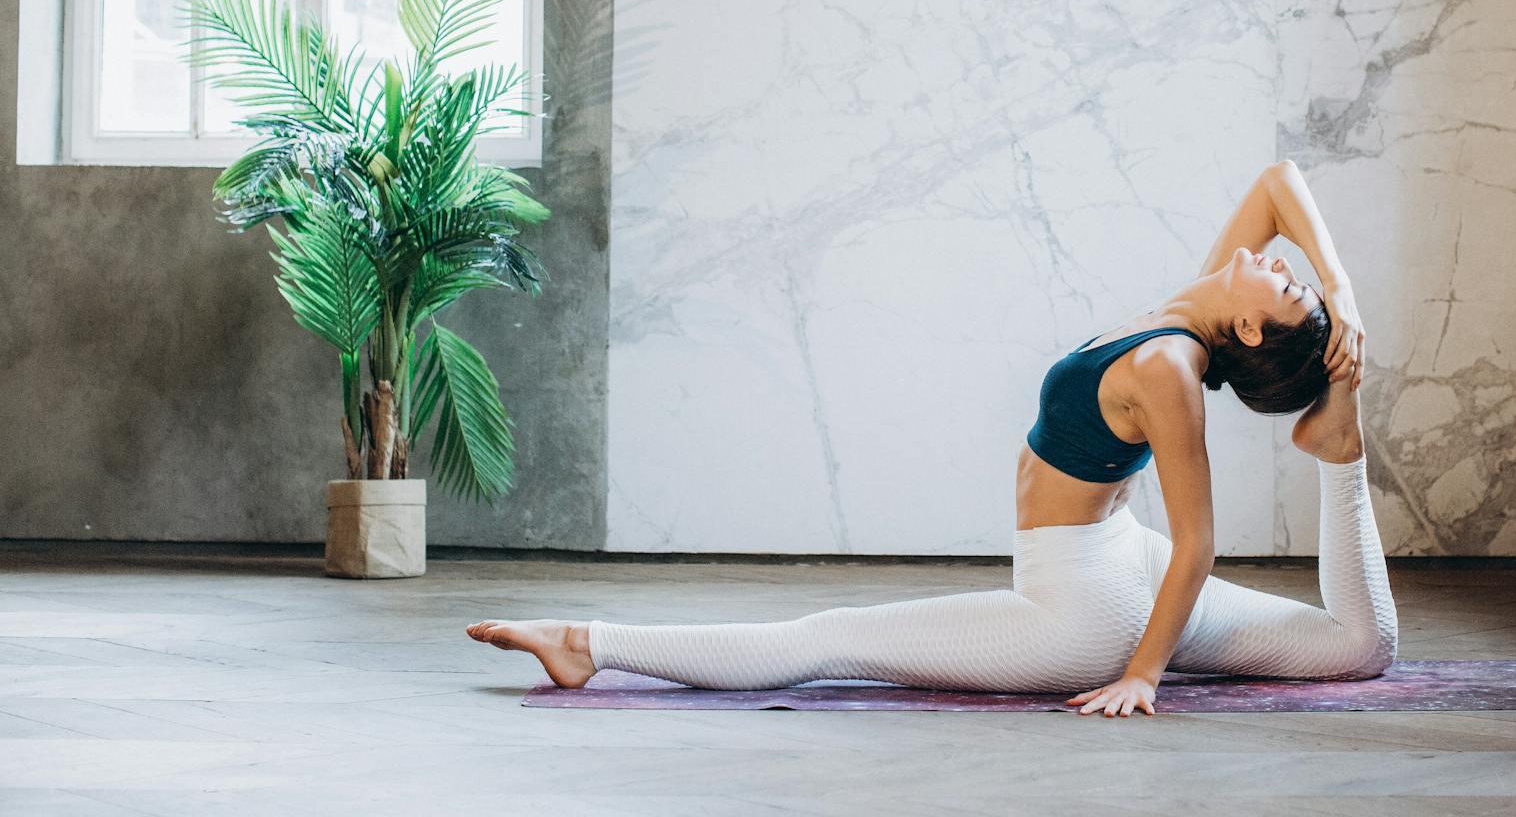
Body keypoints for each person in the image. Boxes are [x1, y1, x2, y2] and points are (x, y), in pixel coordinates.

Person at [467, 160, 1396, 717]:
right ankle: (1338, 441)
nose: (1288, 269)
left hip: (1088, 609)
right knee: (1357, 649)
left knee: (831, 638)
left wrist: (1143, 674)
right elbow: (1280, 181)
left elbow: (1199, 541)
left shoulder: (1169, 370)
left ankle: (590, 644)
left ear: (1248, 332)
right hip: (1123, 565)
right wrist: (1342, 297)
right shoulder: (1190, 312)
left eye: (1296, 293)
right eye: (1299, 281)